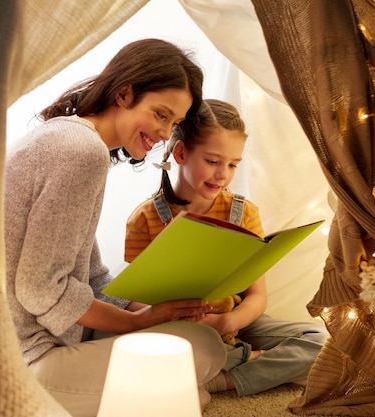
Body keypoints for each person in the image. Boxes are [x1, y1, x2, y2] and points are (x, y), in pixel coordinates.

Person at [4, 38, 227, 417]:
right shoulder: (80, 151)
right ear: (124, 94)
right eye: (160, 114)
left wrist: (155, 308)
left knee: (196, 343)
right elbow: (39, 289)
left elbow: (89, 273)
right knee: (203, 351)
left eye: (173, 123)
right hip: (24, 358)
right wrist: (136, 321)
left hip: (40, 339)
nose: (164, 133)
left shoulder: (71, 139)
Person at [124, 98, 328, 397]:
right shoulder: (144, 219)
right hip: (179, 328)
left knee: (319, 341)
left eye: (233, 164)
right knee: (147, 349)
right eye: (212, 161)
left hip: (233, 320)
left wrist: (228, 321)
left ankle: (220, 380)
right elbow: (133, 302)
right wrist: (170, 315)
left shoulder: (244, 213)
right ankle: (244, 360)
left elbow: (257, 297)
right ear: (180, 153)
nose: (223, 174)